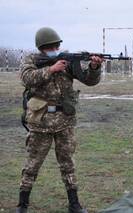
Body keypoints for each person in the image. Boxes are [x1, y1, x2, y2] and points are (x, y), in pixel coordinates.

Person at [16, 27, 103, 213]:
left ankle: (74, 204)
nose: (55, 48)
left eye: (57, 45)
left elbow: (89, 80)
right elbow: (26, 78)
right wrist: (51, 69)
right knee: (32, 164)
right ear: (42, 47)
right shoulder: (32, 60)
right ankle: (22, 204)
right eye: (51, 46)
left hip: (64, 121)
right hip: (40, 122)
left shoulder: (67, 60)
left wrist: (94, 67)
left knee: (68, 164)